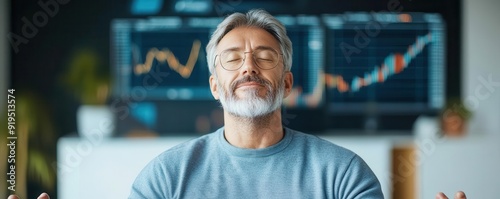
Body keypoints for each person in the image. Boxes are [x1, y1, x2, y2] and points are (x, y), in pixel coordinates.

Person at [8, 9, 467, 199]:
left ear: (285, 81)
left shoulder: (343, 176)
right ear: (214, 85)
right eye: (233, 58)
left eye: (264, 56)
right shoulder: (167, 178)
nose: (249, 65)